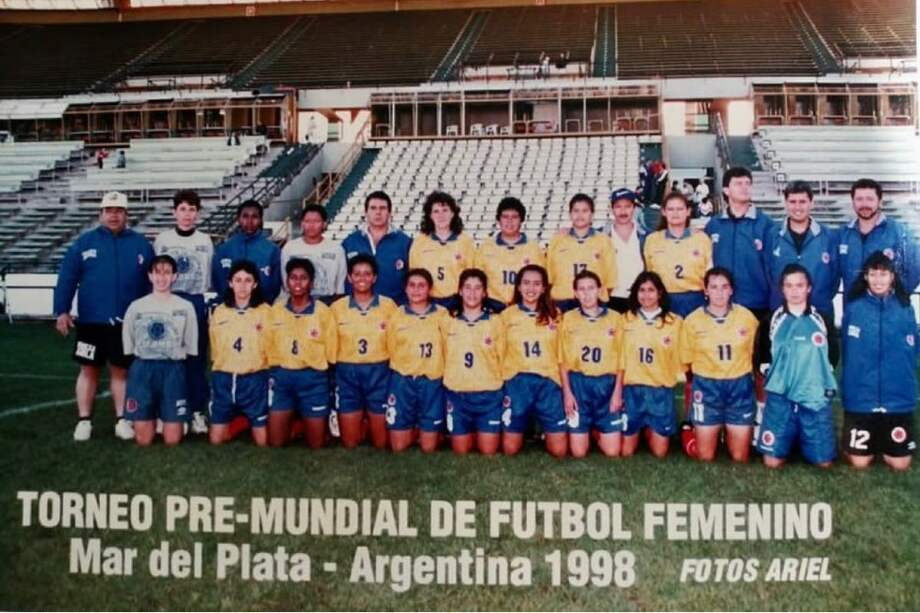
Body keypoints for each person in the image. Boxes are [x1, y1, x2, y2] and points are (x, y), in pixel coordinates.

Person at [54, 190, 155, 442]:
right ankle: (84, 420)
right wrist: (62, 311)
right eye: (109, 211)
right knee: (88, 370)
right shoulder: (84, 243)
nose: (113, 216)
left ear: (126, 215)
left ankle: (122, 420)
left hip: (126, 323)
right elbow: (67, 277)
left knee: (121, 371)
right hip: (91, 322)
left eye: (119, 211)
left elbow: (151, 283)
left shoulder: (141, 244)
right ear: (100, 213)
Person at [705, 166, 775, 423]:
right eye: (738, 183)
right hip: (722, 308)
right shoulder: (714, 224)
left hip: (756, 306)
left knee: (758, 365)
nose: (745, 187)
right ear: (726, 190)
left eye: (748, 183)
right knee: (724, 363)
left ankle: (760, 418)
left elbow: (772, 267)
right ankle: (723, 417)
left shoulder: (765, 224)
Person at [755, 264, 838, 468]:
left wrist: (813, 381)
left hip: (813, 396)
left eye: (799, 285)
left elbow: (833, 357)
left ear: (808, 288)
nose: (794, 291)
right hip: (781, 398)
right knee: (772, 463)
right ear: (782, 289)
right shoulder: (771, 320)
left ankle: (805, 441)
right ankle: (789, 440)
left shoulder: (822, 319)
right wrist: (781, 382)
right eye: (789, 286)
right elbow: (761, 359)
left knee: (824, 463)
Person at [840, 252, 917, 471]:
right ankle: (859, 440)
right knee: (860, 463)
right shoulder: (854, 308)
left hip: (896, 401)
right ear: (865, 276)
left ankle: (885, 441)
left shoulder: (905, 309)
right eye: (873, 274)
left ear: (893, 276)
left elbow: (912, 352)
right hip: (861, 400)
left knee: (900, 464)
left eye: (883, 274)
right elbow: (847, 350)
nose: (878, 279)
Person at [679, 267, 759, 462]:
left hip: (739, 386)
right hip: (707, 388)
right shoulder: (692, 321)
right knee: (704, 456)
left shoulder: (747, 318)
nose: (719, 293)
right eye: (713, 287)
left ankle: (728, 429)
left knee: (739, 457)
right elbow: (686, 361)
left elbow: (755, 354)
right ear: (705, 291)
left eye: (724, 287)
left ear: (732, 290)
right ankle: (688, 430)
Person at [121, 255, 198, 447]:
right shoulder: (136, 307)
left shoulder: (185, 307)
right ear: (150, 276)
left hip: (173, 369)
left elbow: (190, 345)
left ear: (174, 276)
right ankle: (149, 417)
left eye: (167, 273)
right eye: (157, 273)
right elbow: (129, 343)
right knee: (143, 441)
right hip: (143, 369)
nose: (161, 278)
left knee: (173, 440)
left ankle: (168, 417)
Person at [154, 189, 214, 435]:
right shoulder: (163, 240)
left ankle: (197, 411)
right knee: (167, 359)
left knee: (195, 360)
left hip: (195, 304)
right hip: (168, 302)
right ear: (174, 212)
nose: (187, 214)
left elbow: (208, 276)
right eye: (182, 209)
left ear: (198, 213)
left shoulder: (204, 241)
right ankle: (166, 411)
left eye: (192, 209)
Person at [266, 258, 337, 449]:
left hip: (313, 378)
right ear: (287, 281)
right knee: (276, 442)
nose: (298, 283)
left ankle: (311, 422)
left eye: (303, 278)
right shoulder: (276, 309)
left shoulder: (323, 312)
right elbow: (268, 343)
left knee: (316, 444)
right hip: (282, 378)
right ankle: (295, 423)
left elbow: (331, 353)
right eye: (293, 278)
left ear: (311, 283)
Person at [612, 271, 684, 458]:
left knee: (660, 453)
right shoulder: (625, 320)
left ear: (660, 293)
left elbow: (679, 358)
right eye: (641, 290)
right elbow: (619, 358)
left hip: (659, 391)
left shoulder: (674, 322)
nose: (646, 295)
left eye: (651, 290)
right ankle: (640, 428)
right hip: (632, 390)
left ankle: (651, 428)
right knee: (626, 452)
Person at [330, 254, 397, 449]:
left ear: (375, 278)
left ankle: (370, 422)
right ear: (349, 278)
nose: (362, 278)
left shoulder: (389, 306)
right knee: (350, 443)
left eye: (367, 274)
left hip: (379, 372)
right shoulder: (336, 308)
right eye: (357, 274)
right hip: (347, 373)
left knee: (381, 443)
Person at [500, 265, 567, 457]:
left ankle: (544, 432)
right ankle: (527, 430)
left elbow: (562, 353)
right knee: (510, 450)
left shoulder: (556, 315)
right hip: (518, 382)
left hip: (548, 383)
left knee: (559, 451)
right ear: (519, 287)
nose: (531, 288)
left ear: (544, 288)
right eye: (526, 283)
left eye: (537, 284)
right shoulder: (507, 316)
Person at [560, 270, 625, 458]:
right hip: (579, 383)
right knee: (578, 453)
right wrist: (567, 394)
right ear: (575, 293)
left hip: (606, 383)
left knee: (613, 452)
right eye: (581, 289)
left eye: (591, 288)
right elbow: (562, 360)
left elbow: (622, 359)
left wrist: (617, 392)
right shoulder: (568, 318)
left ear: (599, 290)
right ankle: (586, 429)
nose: (586, 293)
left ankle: (596, 431)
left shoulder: (615, 318)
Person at [208, 259, 273, 447]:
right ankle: (238, 421)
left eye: (247, 280)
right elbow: (215, 347)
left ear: (255, 284)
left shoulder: (266, 312)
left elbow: (271, 346)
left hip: (255, 378)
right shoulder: (220, 311)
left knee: (263, 442)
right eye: (238, 280)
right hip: (225, 378)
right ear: (230, 283)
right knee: (216, 440)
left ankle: (247, 421)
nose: (242, 286)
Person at [442, 268, 506, 455]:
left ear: (485, 292)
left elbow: (503, 358)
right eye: (467, 288)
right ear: (460, 291)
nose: (472, 293)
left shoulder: (496, 322)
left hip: (488, 395)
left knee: (488, 452)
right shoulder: (447, 321)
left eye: (478, 288)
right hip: (457, 394)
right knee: (461, 451)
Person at [385, 268, 449, 453]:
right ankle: (412, 429)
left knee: (428, 448)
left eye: (421, 285)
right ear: (405, 289)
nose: (416, 290)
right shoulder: (397, 314)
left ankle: (430, 430)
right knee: (398, 447)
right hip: (403, 381)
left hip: (431, 382)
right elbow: (391, 347)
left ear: (429, 289)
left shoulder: (442, 314)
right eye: (411, 285)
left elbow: (447, 347)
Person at [766, 181, 840, 326]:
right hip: (782, 313)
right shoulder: (772, 235)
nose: (797, 207)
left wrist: (819, 297)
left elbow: (835, 278)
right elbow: (768, 273)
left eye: (802, 201)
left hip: (820, 312)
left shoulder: (828, 237)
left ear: (811, 203)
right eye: (792, 202)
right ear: (785, 203)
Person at [838, 178, 920, 297]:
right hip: (853, 310)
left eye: (870, 199)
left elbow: (916, 266)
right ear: (853, 202)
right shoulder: (843, 234)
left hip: (888, 311)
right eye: (859, 199)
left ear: (880, 202)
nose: (864, 204)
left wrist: (897, 296)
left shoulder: (898, 231)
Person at [643, 192, 712, 318]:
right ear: (663, 212)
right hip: (664, 299)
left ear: (688, 211)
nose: (675, 213)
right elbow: (649, 273)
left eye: (680, 209)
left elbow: (710, 272)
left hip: (695, 299)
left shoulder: (702, 239)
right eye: (671, 209)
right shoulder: (652, 240)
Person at [547, 193, 617, 311]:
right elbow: (549, 276)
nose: (580, 215)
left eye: (585, 211)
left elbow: (610, 280)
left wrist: (595, 297)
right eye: (576, 211)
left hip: (594, 302)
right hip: (562, 301)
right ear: (570, 214)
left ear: (592, 215)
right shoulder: (557, 240)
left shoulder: (603, 240)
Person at [342, 190, 412, 303]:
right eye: (373, 208)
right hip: (358, 312)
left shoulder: (405, 242)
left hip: (395, 311)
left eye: (383, 208)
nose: (378, 212)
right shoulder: (350, 242)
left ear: (389, 212)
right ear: (366, 212)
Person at [408, 191, 475, 307]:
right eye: (436, 211)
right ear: (430, 215)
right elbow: (414, 276)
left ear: (453, 213)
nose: (441, 215)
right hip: (428, 303)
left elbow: (471, 276)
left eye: (445, 210)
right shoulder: (419, 242)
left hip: (457, 303)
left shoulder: (465, 242)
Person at [475, 197, 545, 305]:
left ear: (521, 220)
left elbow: (542, 282)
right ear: (498, 220)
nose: (509, 221)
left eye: (514, 217)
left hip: (523, 307)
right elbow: (476, 281)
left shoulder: (534, 249)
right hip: (493, 307)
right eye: (505, 217)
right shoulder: (485, 248)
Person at [212, 200, 282, 304]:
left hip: (261, 310)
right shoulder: (223, 249)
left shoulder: (272, 250)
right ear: (238, 219)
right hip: (231, 310)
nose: (249, 221)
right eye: (245, 216)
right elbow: (217, 281)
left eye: (254, 217)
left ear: (260, 219)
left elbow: (275, 285)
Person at [281, 204, 347, 304]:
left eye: (316, 221)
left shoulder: (336, 249)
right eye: (307, 221)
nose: (311, 225)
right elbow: (285, 281)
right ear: (302, 224)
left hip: (327, 303)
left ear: (324, 224)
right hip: (297, 303)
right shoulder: (289, 248)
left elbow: (340, 286)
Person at [604, 188, 647, 314]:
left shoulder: (645, 236)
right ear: (611, 209)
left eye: (627, 206)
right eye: (618, 207)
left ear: (634, 208)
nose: (623, 211)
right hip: (610, 298)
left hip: (640, 299)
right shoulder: (601, 236)